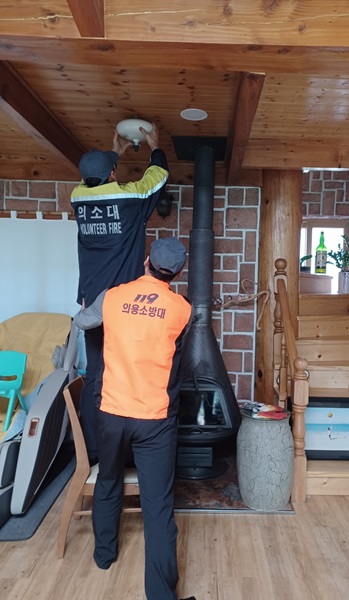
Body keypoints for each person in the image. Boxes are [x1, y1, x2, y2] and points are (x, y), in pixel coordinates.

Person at [73, 237, 195, 600]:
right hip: (154, 420)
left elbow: (81, 322)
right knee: (157, 505)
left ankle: (103, 556)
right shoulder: (182, 309)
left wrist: (91, 311)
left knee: (108, 480)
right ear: (177, 273)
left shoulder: (112, 297)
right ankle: (161, 594)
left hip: (111, 413)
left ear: (146, 262)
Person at [71, 123, 168, 463]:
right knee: (127, 372)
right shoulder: (130, 199)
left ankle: (93, 451)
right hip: (123, 307)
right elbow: (157, 178)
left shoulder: (78, 197)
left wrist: (115, 152)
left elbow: (97, 181)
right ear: (113, 174)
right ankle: (129, 449)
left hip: (91, 305)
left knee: (95, 375)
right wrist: (155, 146)